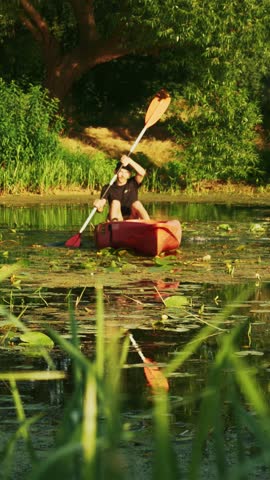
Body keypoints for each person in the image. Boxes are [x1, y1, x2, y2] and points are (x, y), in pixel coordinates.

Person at [94, 154, 150, 221]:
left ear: (129, 175)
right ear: (115, 172)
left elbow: (142, 173)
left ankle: (148, 223)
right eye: (120, 172)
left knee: (137, 203)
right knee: (115, 202)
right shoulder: (107, 188)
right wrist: (98, 206)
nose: (122, 175)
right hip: (117, 219)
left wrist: (130, 161)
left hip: (132, 218)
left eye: (126, 172)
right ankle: (115, 226)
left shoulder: (133, 182)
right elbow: (101, 208)